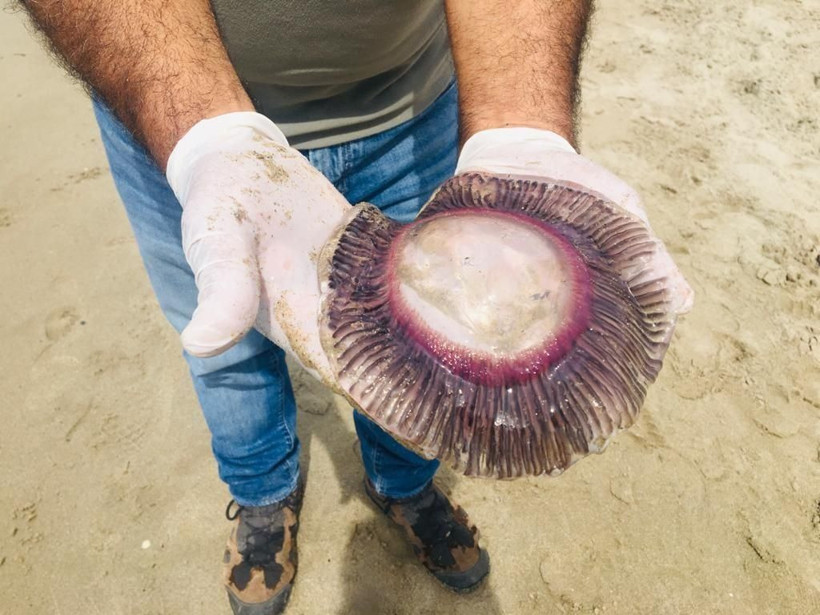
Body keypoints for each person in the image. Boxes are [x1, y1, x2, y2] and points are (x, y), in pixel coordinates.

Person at [20, 1, 692, 613]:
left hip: (409, 105)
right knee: (224, 343)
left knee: (424, 369)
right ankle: (262, 499)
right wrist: (201, 136)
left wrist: (522, 125)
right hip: (167, 110)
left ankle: (404, 485)